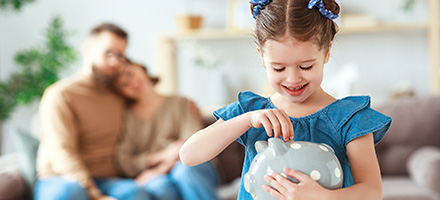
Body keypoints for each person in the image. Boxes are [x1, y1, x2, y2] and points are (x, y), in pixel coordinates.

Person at [179, 0, 392, 199]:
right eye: (278, 68)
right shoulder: (252, 112)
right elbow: (189, 155)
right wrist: (246, 120)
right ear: (262, 56)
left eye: (306, 66)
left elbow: (371, 191)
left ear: (326, 52)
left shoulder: (348, 117)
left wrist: (320, 196)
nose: (293, 79)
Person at [35, 23, 151, 200]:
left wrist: (183, 106)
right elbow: (62, 152)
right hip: (62, 178)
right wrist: (95, 195)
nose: (114, 62)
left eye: (120, 56)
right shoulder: (61, 95)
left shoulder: (119, 93)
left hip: (107, 179)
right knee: (70, 193)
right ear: (87, 48)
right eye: (108, 53)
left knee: (137, 194)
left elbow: (150, 103)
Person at [111, 61, 220, 200]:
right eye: (123, 85)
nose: (132, 83)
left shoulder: (180, 103)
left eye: (130, 74)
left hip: (193, 166)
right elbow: (125, 162)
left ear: (140, 68)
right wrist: (161, 156)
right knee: (160, 188)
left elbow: (193, 145)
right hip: (154, 176)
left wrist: (160, 169)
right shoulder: (125, 118)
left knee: (186, 172)